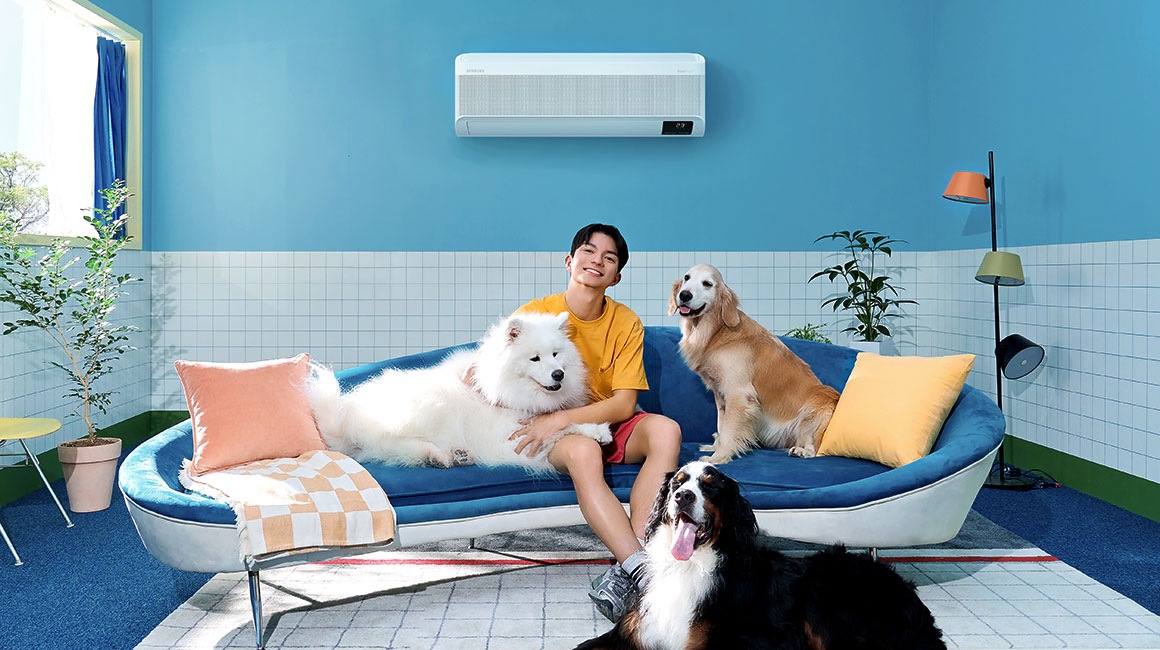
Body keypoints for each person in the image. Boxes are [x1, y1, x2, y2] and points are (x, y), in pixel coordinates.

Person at [511, 223, 682, 622]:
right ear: (569, 261)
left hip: (598, 418)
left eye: (609, 258)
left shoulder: (625, 322)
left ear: (616, 276)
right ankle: (644, 573)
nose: (597, 261)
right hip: (556, 430)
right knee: (586, 450)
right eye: (588, 252)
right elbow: (499, 366)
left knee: (666, 430)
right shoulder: (536, 314)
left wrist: (563, 417)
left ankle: (629, 567)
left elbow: (624, 405)